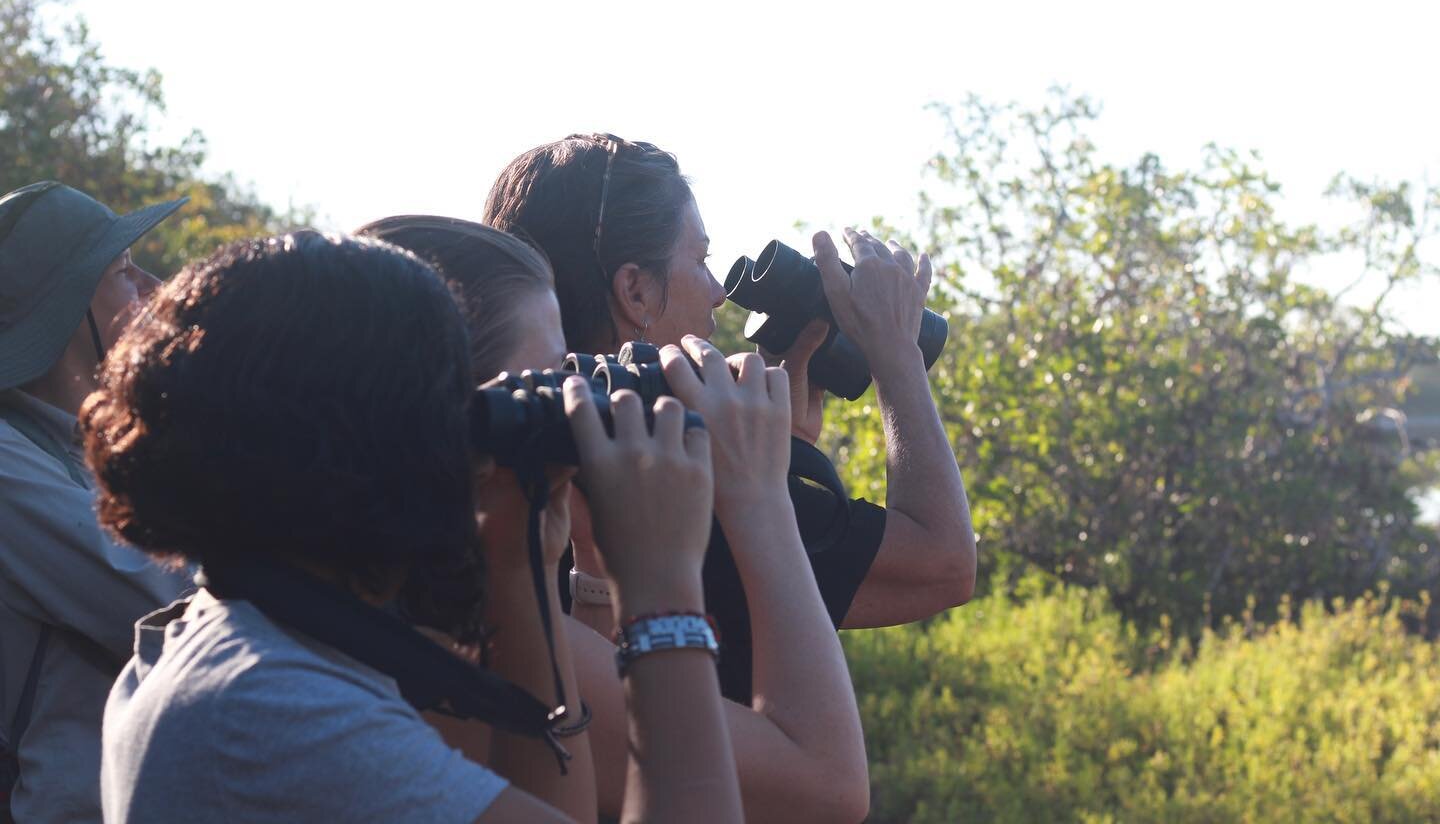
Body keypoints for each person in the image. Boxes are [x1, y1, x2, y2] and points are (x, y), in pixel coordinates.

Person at [82, 231, 743, 823]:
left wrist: (520, 565)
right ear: (380, 445)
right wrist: (661, 590)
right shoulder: (267, 708)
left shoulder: (241, 640)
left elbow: (550, 810)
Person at [362, 216, 869, 823]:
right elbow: (826, 791)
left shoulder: (372, 602)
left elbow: (571, 796)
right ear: (462, 418)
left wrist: (589, 560)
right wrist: (756, 500)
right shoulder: (416, 639)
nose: (576, 402)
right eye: (548, 385)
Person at [482, 134, 976, 700]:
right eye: (701, 260)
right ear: (635, 291)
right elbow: (943, 563)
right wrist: (896, 355)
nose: (719, 293)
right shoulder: (678, 475)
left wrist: (784, 447)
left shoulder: (510, 458)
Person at [0, 181, 191, 824]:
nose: (152, 285)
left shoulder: (97, 443)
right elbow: (159, 597)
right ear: (67, 303)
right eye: (122, 271)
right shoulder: (5, 463)